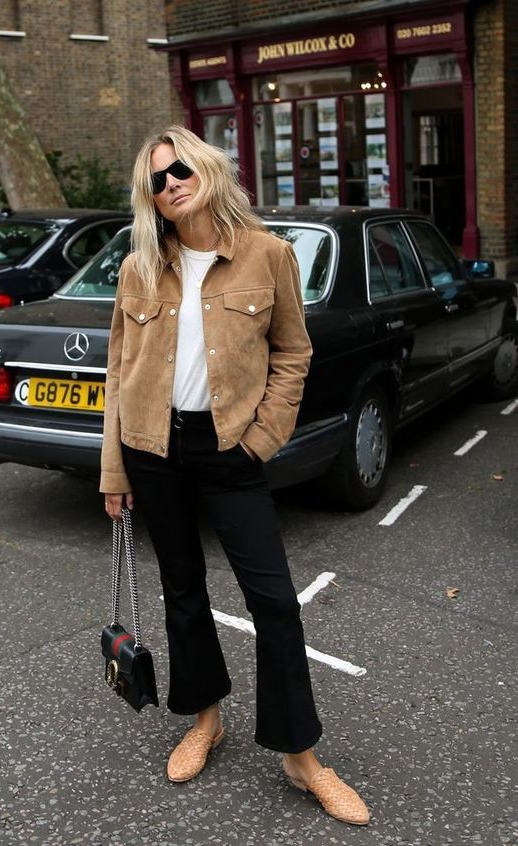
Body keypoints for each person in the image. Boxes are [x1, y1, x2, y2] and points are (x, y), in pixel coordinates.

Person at [100, 126, 370, 827]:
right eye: (156, 180)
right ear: (149, 198)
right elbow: (118, 374)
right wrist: (114, 470)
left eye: (180, 168)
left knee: (275, 601)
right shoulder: (138, 270)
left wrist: (260, 442)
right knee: (182, 591)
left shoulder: (267, 254)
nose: (171, 184)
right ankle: (205, 719)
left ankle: (301, 754)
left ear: (210, 168)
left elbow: (293, 355)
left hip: (231, 450)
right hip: (153, 449)